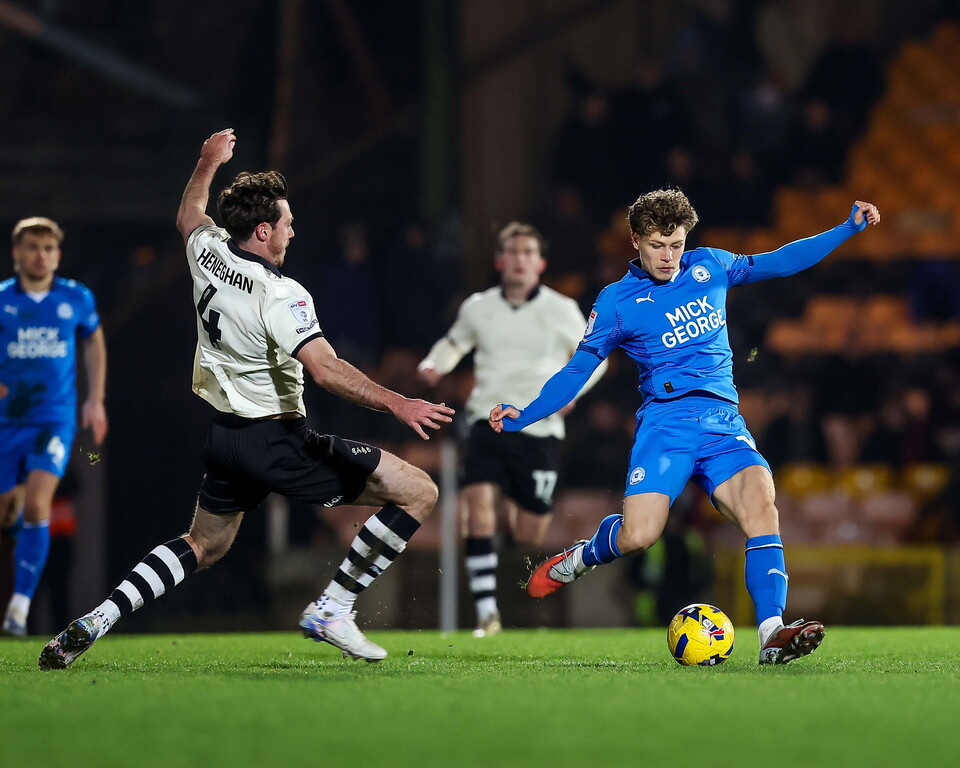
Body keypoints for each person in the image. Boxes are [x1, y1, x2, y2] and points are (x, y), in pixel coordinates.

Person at [38, 129, 455, 669]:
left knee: (203, 545)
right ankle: (334, 606)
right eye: (285, 222)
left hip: (227, 437)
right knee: (419, 491)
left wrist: (207, 161)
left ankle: (98, 619)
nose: (292, 230)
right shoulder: (281, 293)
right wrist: (399, 403)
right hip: (276, 438)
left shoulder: (207, 252)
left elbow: (189, 212)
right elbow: (326, 369)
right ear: (263, 231)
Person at [490, 188, 880, 665]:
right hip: (667, 426)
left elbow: (780, 261)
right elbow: (577, 370)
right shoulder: (617, 303)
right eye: (658, 245)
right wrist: (526, 413)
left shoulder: (710, 265)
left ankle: (771, 635)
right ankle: (577, 560)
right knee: (639, 536)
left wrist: (846, 229)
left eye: (676, 244)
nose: (670, 256)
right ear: (635, 240)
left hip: (723, 423)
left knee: (763, 507)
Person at [418, 222, 606, 636]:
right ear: (499, 261)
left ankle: (508, 521)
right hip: (488, 419)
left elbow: (597, 358)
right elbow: (454, 343)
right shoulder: (478, 307)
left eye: (528, 253)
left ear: (540, 263)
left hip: (539, 426)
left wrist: (573, 391)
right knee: (477, 507)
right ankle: (487, 613)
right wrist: (435, 365)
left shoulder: (561, 309)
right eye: (512, 252)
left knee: (529, 530)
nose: (520, 260)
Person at [0, 217, 108, 636]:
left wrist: (95, 400)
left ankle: (19, 608)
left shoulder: (75, 298)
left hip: (53, 419)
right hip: (8, 422)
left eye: (48, 248)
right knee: (10, 512)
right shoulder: (4, 300)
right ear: (17, 253)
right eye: (32, 247)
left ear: (57, 255)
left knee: (38, 504)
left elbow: (94, 342)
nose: (40, 255)